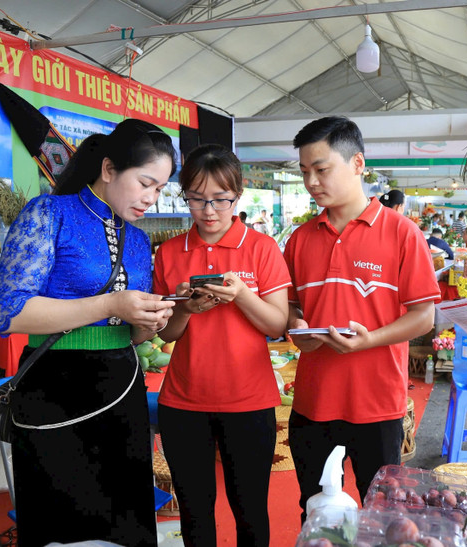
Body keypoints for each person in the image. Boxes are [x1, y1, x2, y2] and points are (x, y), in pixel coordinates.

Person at [0, 118, 178, 547]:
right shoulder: (48, 214)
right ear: (109, 168)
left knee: (124, 512)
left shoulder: (136, 239)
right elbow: (7, 312)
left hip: (121, 385)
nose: (151, 198)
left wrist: (148, 323)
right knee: (62, 514)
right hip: (55, 387)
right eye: (146, 183)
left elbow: (127, 334)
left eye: (160, 190)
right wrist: (111, 304)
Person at [284, 116, 440, 520]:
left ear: (357, 164)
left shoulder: (402, 233)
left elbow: (424, 316)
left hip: (377, 406)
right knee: (315, 511)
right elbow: (292, 306)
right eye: (305, 172)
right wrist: (297, 327)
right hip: (313, 403)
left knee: (382, 514)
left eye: (321, 169)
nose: (312, 182)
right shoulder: (301, 239)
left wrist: (369, 339)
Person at [152, 144, 291, 546]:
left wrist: (243, 296)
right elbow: (166, 334)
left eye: (220, 200)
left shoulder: (262, 248)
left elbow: (277, 324)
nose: (209, 211)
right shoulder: (170, 252)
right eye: (196, 199)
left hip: (249, 401)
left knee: (250, 511)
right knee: (195, 513)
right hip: (183, 403)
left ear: (238, 196)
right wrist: (185, 307)